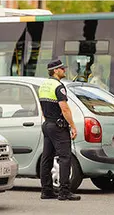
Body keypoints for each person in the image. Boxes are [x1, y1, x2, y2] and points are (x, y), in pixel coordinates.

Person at [38, 59, 80, 201]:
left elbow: (43, 109)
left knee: (47, 158)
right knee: (65, 157)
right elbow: (65, 108)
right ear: (55, 71)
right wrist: (73, 126)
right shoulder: (58, 86)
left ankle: (46, 191)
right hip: (58, 126)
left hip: (47, 124)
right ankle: (64, 192)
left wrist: (49, 122)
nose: (64, 70)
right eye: (62, 68)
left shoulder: (43, 86)